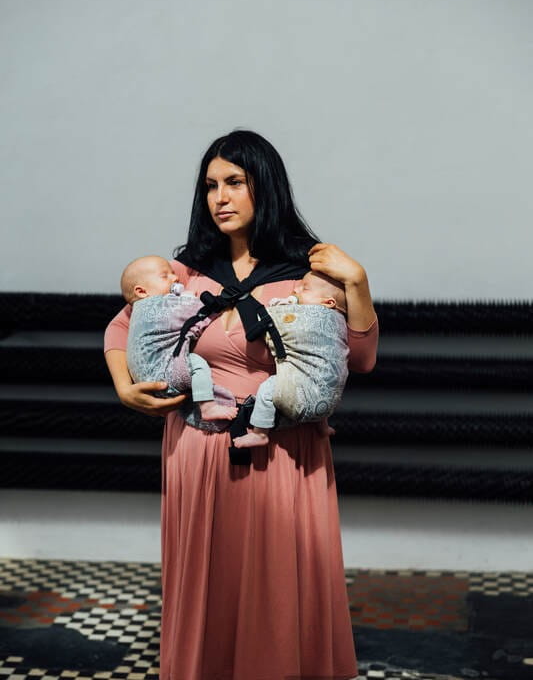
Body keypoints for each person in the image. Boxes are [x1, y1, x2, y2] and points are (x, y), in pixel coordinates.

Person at [104, 129, 378, 680]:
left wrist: (358, 280)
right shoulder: (185, 273)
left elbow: (362, 357)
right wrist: (123, 387)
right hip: (197, 450)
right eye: (210, 186)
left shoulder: (309, 272)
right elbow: (121, 328)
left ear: (265, 187)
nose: (219, 197)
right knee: (212, 582)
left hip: (283, 454)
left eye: (234, 182)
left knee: (277, 588)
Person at [234, 269, 350, 448]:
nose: (296, 290)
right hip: (329, 400)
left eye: (305, 288)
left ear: (328, 303)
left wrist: (278, 308)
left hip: (299, 394)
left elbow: (274, 319)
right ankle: (322, 426)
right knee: (320, 384)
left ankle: (260, 433)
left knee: (268, 389)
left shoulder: (314, 318)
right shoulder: (341, 322)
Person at [121, 254, 238, 423]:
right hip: (162, 376)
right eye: (165, 276)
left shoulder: (139, 309)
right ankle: (207, 406)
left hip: (147, 378)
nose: (175, 278)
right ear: (141, 291)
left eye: (173, 273)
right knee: (196, 364)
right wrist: (193, 300)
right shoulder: (155, 306)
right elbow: (193, 310)